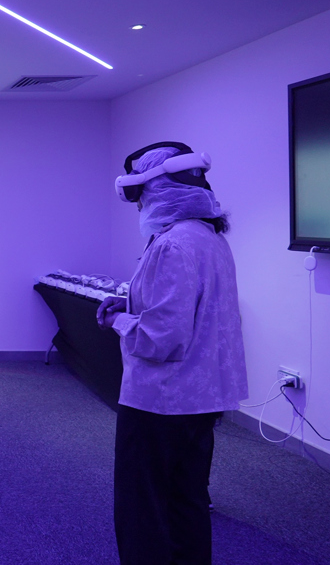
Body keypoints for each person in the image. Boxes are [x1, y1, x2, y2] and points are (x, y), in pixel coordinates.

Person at [96, 143, 248, 565]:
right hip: (200, 399)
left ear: (158, 191)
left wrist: (118, 320)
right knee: (186, 501)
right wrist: (131, 303)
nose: (139, 206)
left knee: (142, 507)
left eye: (141, 196)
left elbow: (161, 339)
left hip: (160, 402)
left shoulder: (171, 245)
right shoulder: (210, 240)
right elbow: (191, 311)